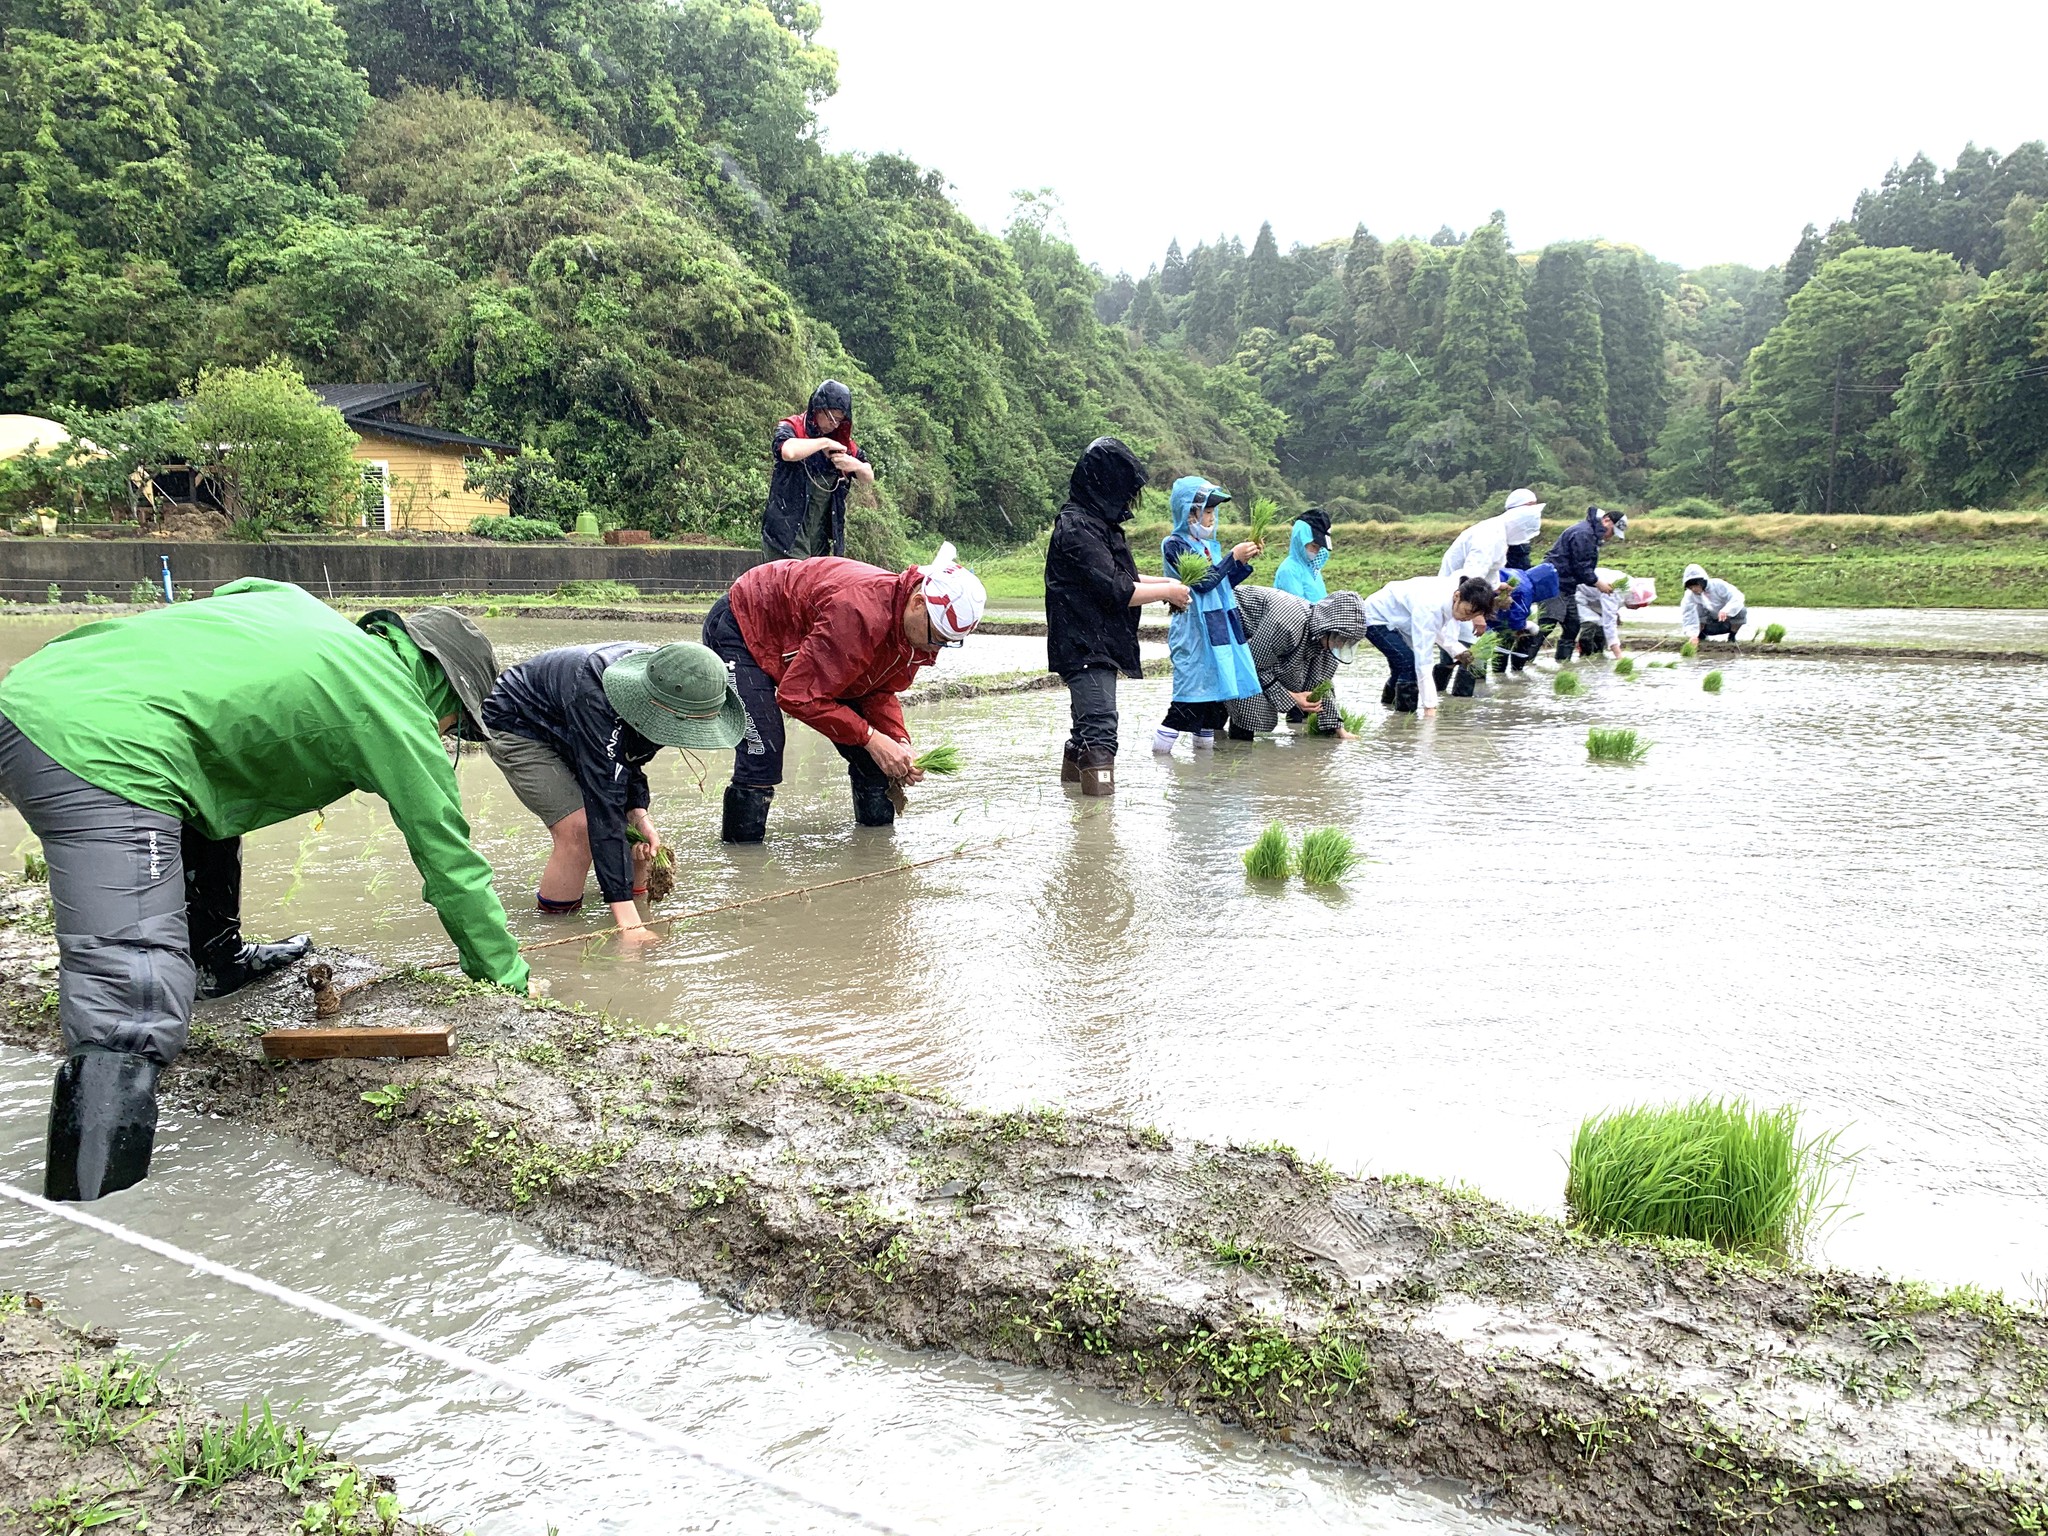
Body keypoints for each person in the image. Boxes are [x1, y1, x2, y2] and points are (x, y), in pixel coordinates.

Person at [0, 581, 529, 1202]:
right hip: (99, 749)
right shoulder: (393, 707)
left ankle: (216, 962)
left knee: (203, 804)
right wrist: (504, 981)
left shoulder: (294, 604)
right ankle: (89, 1223)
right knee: (130, 993)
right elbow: (450, 862)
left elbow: (234, 605)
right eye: (454, 723)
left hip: (30, 694)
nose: (445, 735)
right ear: (440, 684)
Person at [704, 542, 986, 840]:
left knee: (879, 760)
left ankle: (877, 851)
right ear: (918, 603)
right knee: (763, 750)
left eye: (947, 643)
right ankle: (742, 866)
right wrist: (870, 737)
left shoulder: (912, 631)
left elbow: (878, 691)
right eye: (938, 638)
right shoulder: (858, 614)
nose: (936, 649)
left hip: (807, 647)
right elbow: (798, 696)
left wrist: (898, 741)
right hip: (744, 624)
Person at [483, 640, 745, 941]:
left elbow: (628, 757)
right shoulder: (600, 695)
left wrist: (639, 815)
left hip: (574, 720)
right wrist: (629, 926)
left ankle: (634, 906)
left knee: (631, 831)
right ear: (657, 706)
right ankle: (557, 936)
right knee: (578, 831)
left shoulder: (674, 686)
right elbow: (603, 799)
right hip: (520, 722)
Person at [1044, 438, 1189, 796]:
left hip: (1095, 641)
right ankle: (1098, 828)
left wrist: (1170, 583)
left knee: (1085, 730)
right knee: (1100, 729)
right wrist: (1168, 592)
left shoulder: (1095, 524)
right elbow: (1118, 589)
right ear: (1103, 484)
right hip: (1084, 643)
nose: (1127, 501)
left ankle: (1076, 807)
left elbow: (1122, 577)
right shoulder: (1077, 527)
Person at [1155, 476, 1261, 754]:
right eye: (1205, 512)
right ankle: (1161, 760)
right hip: (1194, 630)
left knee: (1212, 705)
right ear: (1187, 513)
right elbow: (1202, 584)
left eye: (1213, 512)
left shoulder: (1208, 547)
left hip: (1217, 626)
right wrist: (1231, 558)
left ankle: (1204, 775)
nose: (1210, 518)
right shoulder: (1174, 544)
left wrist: (1241, 562)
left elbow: (1222, 585)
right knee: (1187, 702)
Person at [1223, 586, 1370, 740]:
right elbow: (1252, 666)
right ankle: (1232, 751)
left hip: (1254, 649)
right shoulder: (1288, 624)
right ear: (1328, 627)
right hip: (1225, 621)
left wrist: (1339, 729)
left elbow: (1322, 684)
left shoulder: (1323, 643)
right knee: (1251, 706)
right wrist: (1292, 697)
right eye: (1341, 639)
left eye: (1347, 642)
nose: (1341, 645)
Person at [761, 380, 875, 559]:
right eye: (831, 418)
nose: (834, 425)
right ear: (818, 408)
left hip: (819, 541)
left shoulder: (842, 443)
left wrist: (854, 465)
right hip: (785, 536)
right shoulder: (792, 427)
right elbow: (788, 451)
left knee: (814, 586)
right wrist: (824, 443)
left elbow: (869, 475)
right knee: (786, 585)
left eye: (839, 420)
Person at [1362, 575, 1500, 716]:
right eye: (1467, 613)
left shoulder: (1456, 596)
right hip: (1376, 617)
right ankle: (1404, 719)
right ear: (1457, 596)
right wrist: (1430, 707)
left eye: (1473, 616)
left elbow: (1437, 630)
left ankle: (1388, 708)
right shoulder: (1430, 607)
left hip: (1402, 616)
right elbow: (1424, 660)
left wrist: (1458, 650)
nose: (1467, 619)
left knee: (1401, 667)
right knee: (1408, 663)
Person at [1541, 505, 1626, 662]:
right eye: (1612, 532)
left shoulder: (1591, 535)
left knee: (1572, 625)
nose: (1610, 537)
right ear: (1606, 520)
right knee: (1546, 624)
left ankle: (1562, 664)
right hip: (1554, 583)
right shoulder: (1583, 533)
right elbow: (1581, 565)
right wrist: (1597, 582)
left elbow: (1583, 566)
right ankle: (1521, 664)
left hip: (1568, 586)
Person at [1273, 508, 1332, 602]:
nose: (1316, 551)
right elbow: (1297, 611)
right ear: (1300, 540)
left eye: (1320, 547)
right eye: (1314, 546)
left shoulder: (1313, 570)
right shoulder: (1289, 570)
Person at [1679, 564, 1747, 644]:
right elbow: (1688, 615)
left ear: (1702, 582)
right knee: (1698, 609)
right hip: (1707, 626)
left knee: (1741, 610)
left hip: (1726, 622)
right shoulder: (1689, 596)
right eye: (1691, 588)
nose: (1694, 589)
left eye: (1695, 586)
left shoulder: (1718, 585)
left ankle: (1732, 637)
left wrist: (1726, 610)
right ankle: (1700, 636)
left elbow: (1737, 597)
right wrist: (1692, 635)